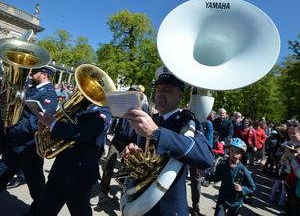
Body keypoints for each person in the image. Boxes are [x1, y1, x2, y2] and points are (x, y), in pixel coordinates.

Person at [122, 66, 214, 216]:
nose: (159, 94)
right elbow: (144, 154)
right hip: (139, 201)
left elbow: (206, 157)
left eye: (166, 90)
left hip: (169, 208)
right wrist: (133, 152)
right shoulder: (152, 119)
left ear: (179, 96)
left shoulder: (186, 122)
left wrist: (157, 133)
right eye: (158, 89)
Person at [0, 65, 58, 216]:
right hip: (14, 144)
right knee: (2, 172)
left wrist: (13, 128)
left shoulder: (49, 94)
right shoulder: (31, 88)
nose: (31, 72)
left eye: (35, 71)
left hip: (29, 147)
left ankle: (38, 210)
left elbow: (35, 122)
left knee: (36, 185)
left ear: (45, 74)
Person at [36, 103, 112, 216]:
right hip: (59, 170)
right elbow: (66, 127)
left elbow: (82, 133)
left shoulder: (104, 112)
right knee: (43, 211)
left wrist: (53, 124)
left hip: (79, 177)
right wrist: (46, 127)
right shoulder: (79, 105)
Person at [205, 138, 256, 216]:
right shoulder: (223, 164)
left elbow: (252, 187)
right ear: (228, 150)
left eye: (237, 152)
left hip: (236, 202)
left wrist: (242, 188)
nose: (234, 154)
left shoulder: (243, 169)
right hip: (222, 199)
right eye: (232, 150)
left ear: (241, 155)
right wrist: (205, 175)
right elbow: (216, 177)